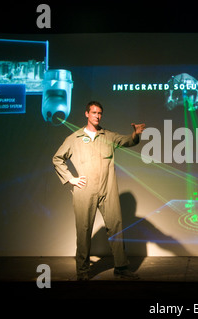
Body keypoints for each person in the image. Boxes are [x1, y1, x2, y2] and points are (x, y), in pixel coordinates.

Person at [53, 101, 145, 281]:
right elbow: (57, 158)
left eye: (100, 113)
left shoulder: (108, 136)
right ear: (86, 114)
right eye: (94, 112)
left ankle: (121, 267)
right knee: (84, 230)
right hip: (84, 190)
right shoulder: (75, 138)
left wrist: (135, 134)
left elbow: (127, 141)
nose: (97, 115)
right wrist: (70, 178)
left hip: (107, 188)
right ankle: (82, 271)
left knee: (116, 227)